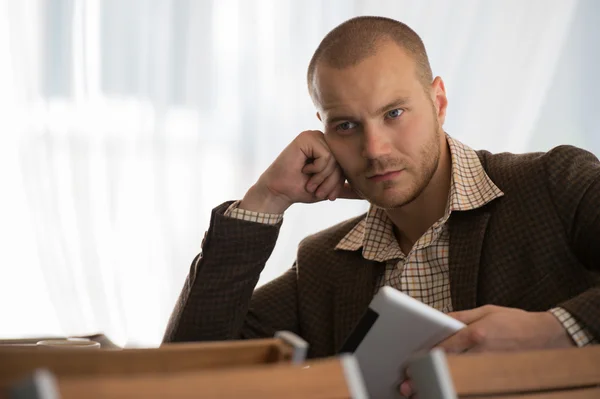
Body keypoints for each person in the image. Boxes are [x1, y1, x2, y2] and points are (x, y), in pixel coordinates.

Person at [163, 15, 599, 396]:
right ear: (324, 131)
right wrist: (267, 198)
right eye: (347, 125)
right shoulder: (322, 266)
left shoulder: (553, 184)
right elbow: (184, 373)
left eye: (394, 113)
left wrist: (555, 330)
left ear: (438, 102)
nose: (374, 149)